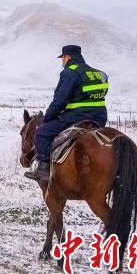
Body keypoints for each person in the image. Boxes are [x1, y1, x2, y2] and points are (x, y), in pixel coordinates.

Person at [25, 45, 108, 183]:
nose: (62, 61)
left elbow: (60, 101)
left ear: (67, 56)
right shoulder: (97, 73)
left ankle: (43, 169)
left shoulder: (70, 72)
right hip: (100, 117)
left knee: (42, 132)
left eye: (62, 58)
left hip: (78, 116)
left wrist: (48, 118)